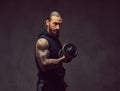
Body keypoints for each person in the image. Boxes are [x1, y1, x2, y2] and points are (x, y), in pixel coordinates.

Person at [35, 11, 70, 91]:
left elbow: (57, 64)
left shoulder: (55, 39)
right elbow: (44, 65)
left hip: (56, 84)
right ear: (47, 22)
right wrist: (62, 59)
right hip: (46, 86)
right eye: (55, 24)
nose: (58, 27)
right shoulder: (43, 41)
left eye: (59, 24)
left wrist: (60, 82)